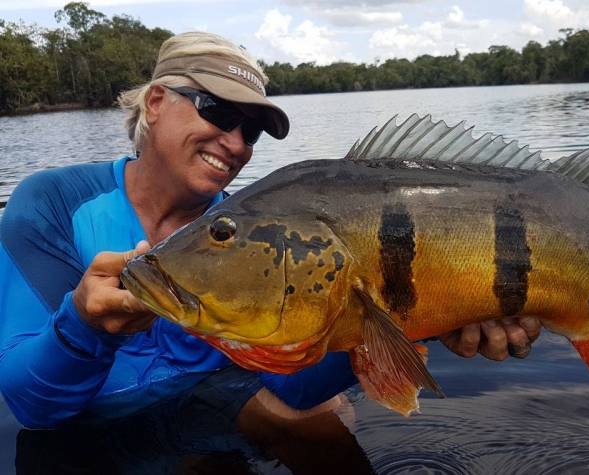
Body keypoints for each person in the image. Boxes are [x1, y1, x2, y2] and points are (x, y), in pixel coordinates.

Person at [0, 32, 541, 430]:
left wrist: (422, 322)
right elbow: (32, 405)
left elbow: (289, 382)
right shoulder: (52, 202)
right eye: (217, 111)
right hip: (86, 443)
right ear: (156, 103)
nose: (236, 143)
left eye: (252, 128)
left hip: (226, 422)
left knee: (325, 417)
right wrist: (84, 324)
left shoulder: (257, 234)